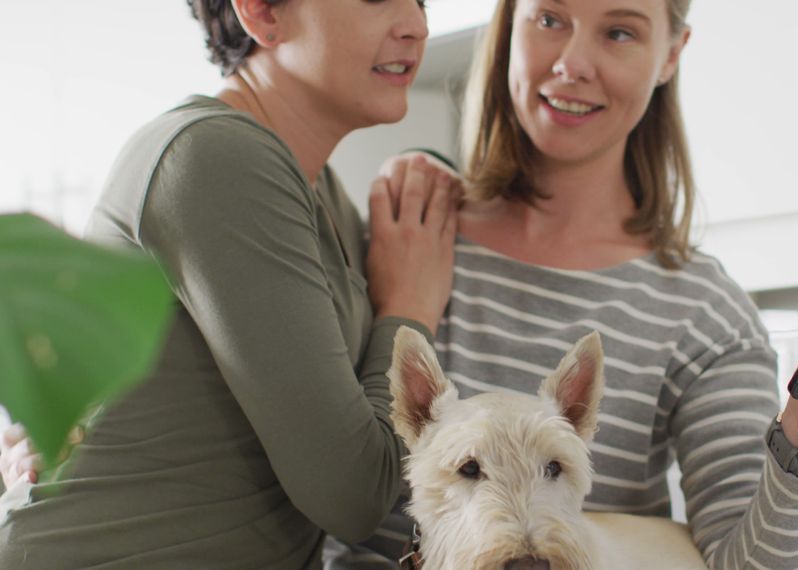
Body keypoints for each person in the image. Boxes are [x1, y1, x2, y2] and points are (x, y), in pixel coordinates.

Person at [322, 0, 798, 568]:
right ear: (509, 24)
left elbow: (745, 561)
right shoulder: (407, 234)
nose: (572, 63)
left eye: (619, 31)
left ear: (671, 53)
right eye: (550, 18)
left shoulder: (704, 314)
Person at [0, 0, 457, 568]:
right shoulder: (217, 156)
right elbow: (353, 495)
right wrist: (411, 303)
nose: (416, 24)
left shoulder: (317, 188)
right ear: (263, 13)